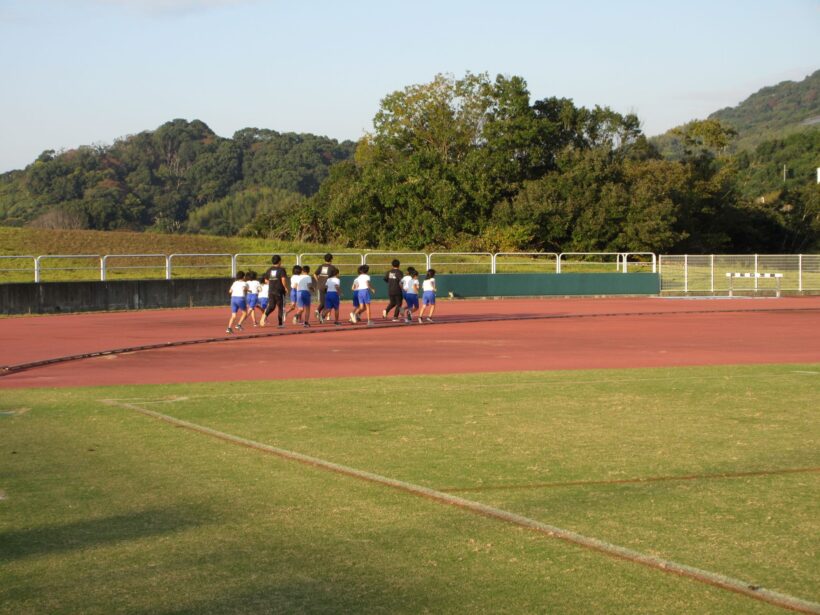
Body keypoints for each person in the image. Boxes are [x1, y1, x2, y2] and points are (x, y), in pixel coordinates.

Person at [261, 255, 288, 328]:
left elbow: (266, 280)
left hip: (271, 290)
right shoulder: (281, 270)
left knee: (272, 306)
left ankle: (265, 315)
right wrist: (285, 287)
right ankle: (280, 324)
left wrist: (272, 283)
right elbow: (283, 279)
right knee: (280, 307)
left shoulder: (269, 270)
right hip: (279, 290)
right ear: (279, 261)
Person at [313, 253, 339, 324]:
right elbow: (335, 277)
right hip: (327, 287)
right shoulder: (332, 268)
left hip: (320, 286)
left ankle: (318, 311)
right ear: (331, 259)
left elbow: (314, 274)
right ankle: (322, 316)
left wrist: (318, 281)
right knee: (327, 303)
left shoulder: (321, 266)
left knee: (323, 302)